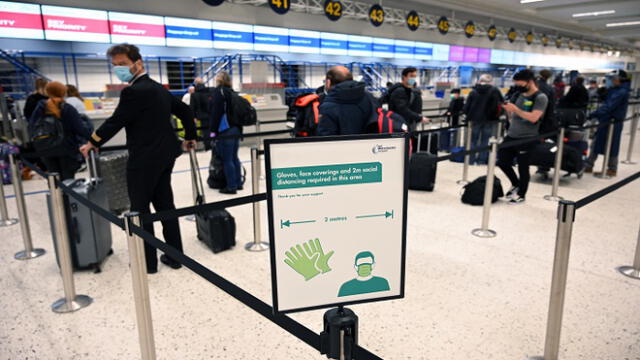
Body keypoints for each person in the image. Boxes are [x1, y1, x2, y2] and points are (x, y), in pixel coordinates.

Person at [79, 44, 197, 274]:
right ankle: (174, 256)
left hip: (143, 159)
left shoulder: (133, 91)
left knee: (140, 210)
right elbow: (185, 111)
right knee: (165, 205)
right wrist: (190, 136)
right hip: (166, 156)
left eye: (122, 64)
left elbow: (116, 121)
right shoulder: (158, 89)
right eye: (115, 66)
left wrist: (93, 141)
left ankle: (148, 263)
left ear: (138, 63)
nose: (118, 69)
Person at [498, 69, 548, 204]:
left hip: (527, 137)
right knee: (502, 161)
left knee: (523, 167)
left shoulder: (540, 97)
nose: (519, 87)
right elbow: (513, 116)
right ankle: (515, 183)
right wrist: (509, 111)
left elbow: (534, 117)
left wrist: (516, 110)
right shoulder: (518, 95)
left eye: (520, 84)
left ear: (530, 82)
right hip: (512, 135)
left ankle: (521, 193)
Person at [28, 82, 90, 180]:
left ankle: (56, 195)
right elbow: (80, 129)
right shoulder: (67, 108)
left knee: (54, 179)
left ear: (47, 92)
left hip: (45, 148)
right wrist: (93, 139)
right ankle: (67, 195)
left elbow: (32, 126)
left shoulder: (40, 108)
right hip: (66, 148)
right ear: (63, 93)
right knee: (68, 179)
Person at [584, 69, 630, 177]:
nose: (611, 81)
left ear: (619, 79)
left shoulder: (621, 92)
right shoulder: (615, 90)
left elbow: (608, 106)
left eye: (613, 79)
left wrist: (593, 114)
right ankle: (588, 165)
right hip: (605, 121)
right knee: (597, 143)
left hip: (613, 122)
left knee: (612, 145)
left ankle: (611, 169)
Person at [317, 66, 377, 136]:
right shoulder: (370, 98)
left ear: (328, 82)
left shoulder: (327, 106)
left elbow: (326, 137)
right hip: (370, 144)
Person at [209, 71, 243, 194]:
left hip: (225, 129)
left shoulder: (219, 92)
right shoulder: (232, 92)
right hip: (236, 129)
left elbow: (216, 113)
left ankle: (231, 187)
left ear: (219, 79)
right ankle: (238, 183)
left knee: (227, 159)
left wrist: (212, 131)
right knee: (234, 157)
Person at [463, 74, 503, 165]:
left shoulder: (473, 91)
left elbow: (466, 107)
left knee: (472, 140)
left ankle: (470, 160)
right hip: (489, 119)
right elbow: (500, 104)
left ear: (480, 81)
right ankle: (481, 160)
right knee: (485, 140)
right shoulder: (495, 91)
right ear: (491, 81)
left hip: (474, 119)